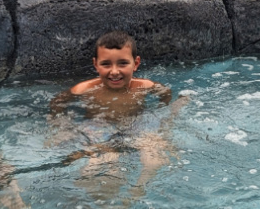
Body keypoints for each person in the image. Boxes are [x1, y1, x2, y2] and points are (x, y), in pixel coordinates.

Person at [49, 31, 180, 193]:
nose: (114, 71)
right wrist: (62, 125)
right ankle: (95, 197)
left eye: (123, 63)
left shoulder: (144, 86)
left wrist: (163, 116)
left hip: (135, 123)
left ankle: (139, 189)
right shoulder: (84, 89)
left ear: (136, 63)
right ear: (96, 64)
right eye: (106, 64)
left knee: (154, 159)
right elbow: (57, 103)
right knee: (101, 166)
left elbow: (165, 94)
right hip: (99, 126)